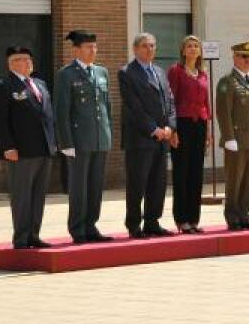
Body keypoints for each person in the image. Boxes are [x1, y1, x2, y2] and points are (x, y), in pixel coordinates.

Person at [54, 30, 114, 244]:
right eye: (88, 47)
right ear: (76, 49)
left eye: (95, 47)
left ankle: (91, 226)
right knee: (79, 186)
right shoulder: (66, 74)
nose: (93, 50)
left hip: (99, 138)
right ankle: (78, 228)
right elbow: (62, 111)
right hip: (78, 141)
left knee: (96, 185)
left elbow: (107, 107)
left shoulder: (101, 72)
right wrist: (66, 143)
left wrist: (108, 135)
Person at [0, 46, 55, 248]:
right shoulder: (4, 85)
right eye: (22, 59)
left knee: (38, 195)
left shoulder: (40, 83)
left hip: (44, 149)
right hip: (21, 151)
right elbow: (1, 121)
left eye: (29, 58)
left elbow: (47, 116)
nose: (28, 62)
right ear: (11, 64)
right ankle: (21, 238)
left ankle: (34, 235)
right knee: (22, 196)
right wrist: (8, 147)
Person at [119, 33, 177, 238]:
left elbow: (170, 102)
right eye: (144, 46)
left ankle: (152, 222)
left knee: (157, 183)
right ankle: (134, 225)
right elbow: (134, 107)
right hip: (140, 138)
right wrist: (154, 129)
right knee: (137, 183)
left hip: (162, 138)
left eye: (152, 46)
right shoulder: (127, 73)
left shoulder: (160, 72)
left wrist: (170, 126)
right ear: (135, 49)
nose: (149, 49)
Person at [215, 42, 249, 231]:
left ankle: (245, 213)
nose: (247, 61)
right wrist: (228, 137)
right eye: (244, 57)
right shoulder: (227, 82)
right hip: (236, 139)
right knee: (235, 179)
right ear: (235, 57)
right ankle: (232, 215)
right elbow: (223, 112)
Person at [167, 36, 210, 234]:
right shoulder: (176, 71)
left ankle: (193, 219)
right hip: (182, 125)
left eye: (196, 46)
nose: (193, 49)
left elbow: (206, 105)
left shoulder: (203, 74)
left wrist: (208, 130)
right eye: (189, 46)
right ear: (183, 51)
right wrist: (172, 129)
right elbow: (170, 101)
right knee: (181, 173)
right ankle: (181, 218)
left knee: (196, 174)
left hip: (199, 125)